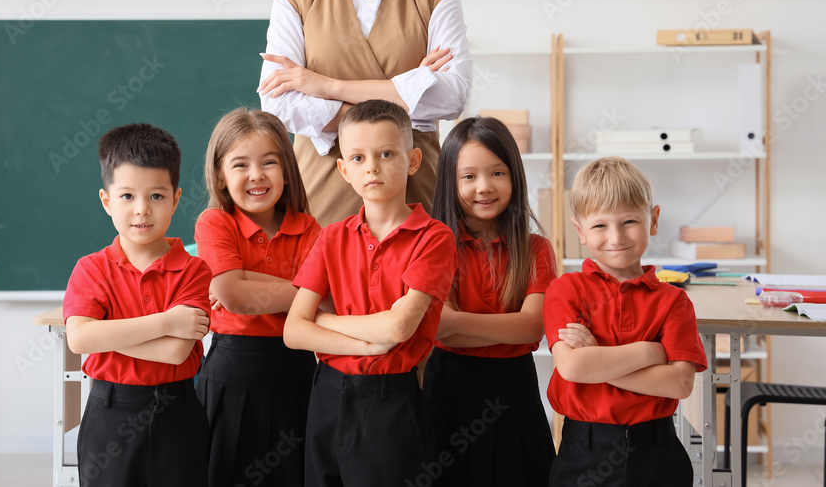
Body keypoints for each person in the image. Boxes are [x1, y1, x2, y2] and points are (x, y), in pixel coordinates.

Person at [258, 0, 472, 226]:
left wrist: (326, 86)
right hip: (322, 195)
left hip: (416, 196)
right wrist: (407, 97)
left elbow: (452, 96)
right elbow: (278, 105)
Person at [284, 99, 457, 487]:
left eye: (385, 154)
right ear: (344, 170)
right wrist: (365, 343)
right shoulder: (330, 237)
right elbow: (294, 332)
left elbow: (398, 328)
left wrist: (325, 323)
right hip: (327, 394)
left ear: (413, 160)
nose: (372, 167)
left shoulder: (434, 238)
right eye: (358, 158)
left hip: (390, 398)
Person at [543, 157, 708, 487]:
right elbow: (573, 368)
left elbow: (679, 384)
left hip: (657, 453)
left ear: (654, 219)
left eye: (629, 221)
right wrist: (650, 352)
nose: (616, 237)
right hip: (583, 452)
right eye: (600, 225)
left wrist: (599, 362)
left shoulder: (673, 300)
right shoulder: (565, 290)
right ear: (580, 231)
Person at [63, 123, 211, 487]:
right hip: (110, 412)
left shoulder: (194, 269)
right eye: (127, 196)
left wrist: (106, 332)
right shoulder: (92, 268)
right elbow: (80, 340)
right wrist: (166, 322)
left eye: (156, 197)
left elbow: (177, 352)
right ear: (106, 200)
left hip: (179, 413)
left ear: (176, 199)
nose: (142, 210)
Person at [423, 117, 556, 486]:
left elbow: (532, 326)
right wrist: (504, 329)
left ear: (514, 175)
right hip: (448, 393)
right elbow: (439, 329)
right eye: (469, 177)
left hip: (515, 395)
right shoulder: (435, 244)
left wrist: (458, 324)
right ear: (450, 181)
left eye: (497, 173)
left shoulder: (536, 249)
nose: (484, 187)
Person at [194, 108, 322, 487]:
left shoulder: (310, 228)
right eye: (240, 165)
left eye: (269, 162)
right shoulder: (214, 222)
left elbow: (325, 302)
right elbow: (232, 297)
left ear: (286, 169)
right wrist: (304, 290)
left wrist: (239, 279)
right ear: (219, 174)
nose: (256, 175)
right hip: (230, 377)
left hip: (297, 375)